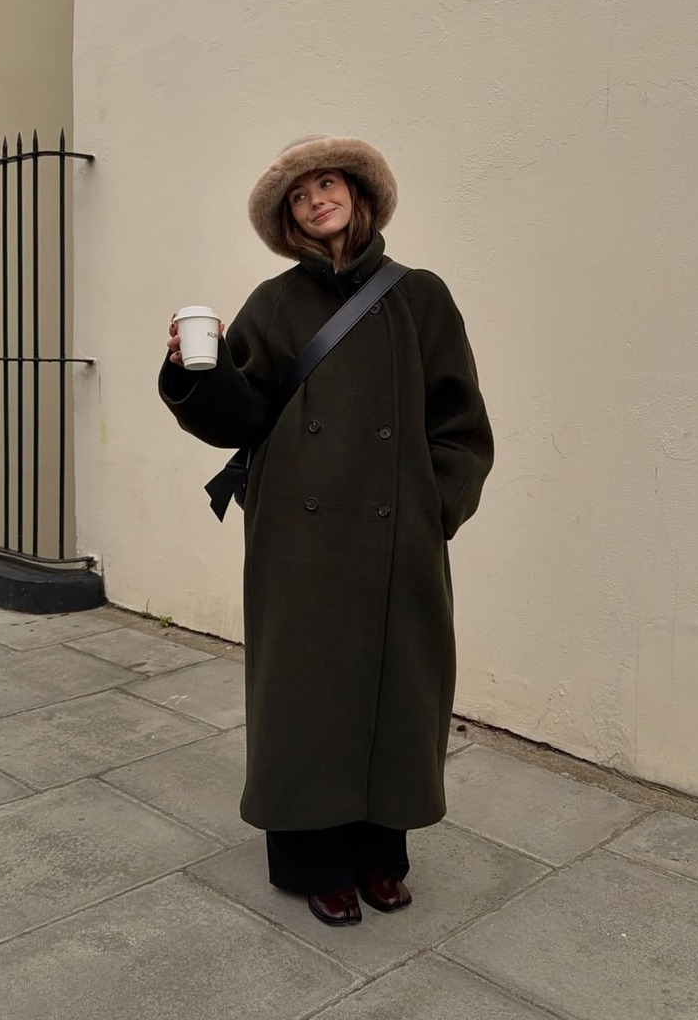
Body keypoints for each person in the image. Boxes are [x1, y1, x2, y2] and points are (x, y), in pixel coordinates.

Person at [159, 135, 494, 927]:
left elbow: (460, 423)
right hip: (300, 542)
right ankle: (314, 863)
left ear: (358, 194)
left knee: (395, 691)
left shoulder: (421, 297)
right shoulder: (274, 303)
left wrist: (432, 511)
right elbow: (239, 416)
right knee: (306, 698)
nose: (316, 199)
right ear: (290, 219)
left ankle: (380, 855)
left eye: (328, 183)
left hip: (396, 537)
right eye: (300, 194)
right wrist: (194, 369)